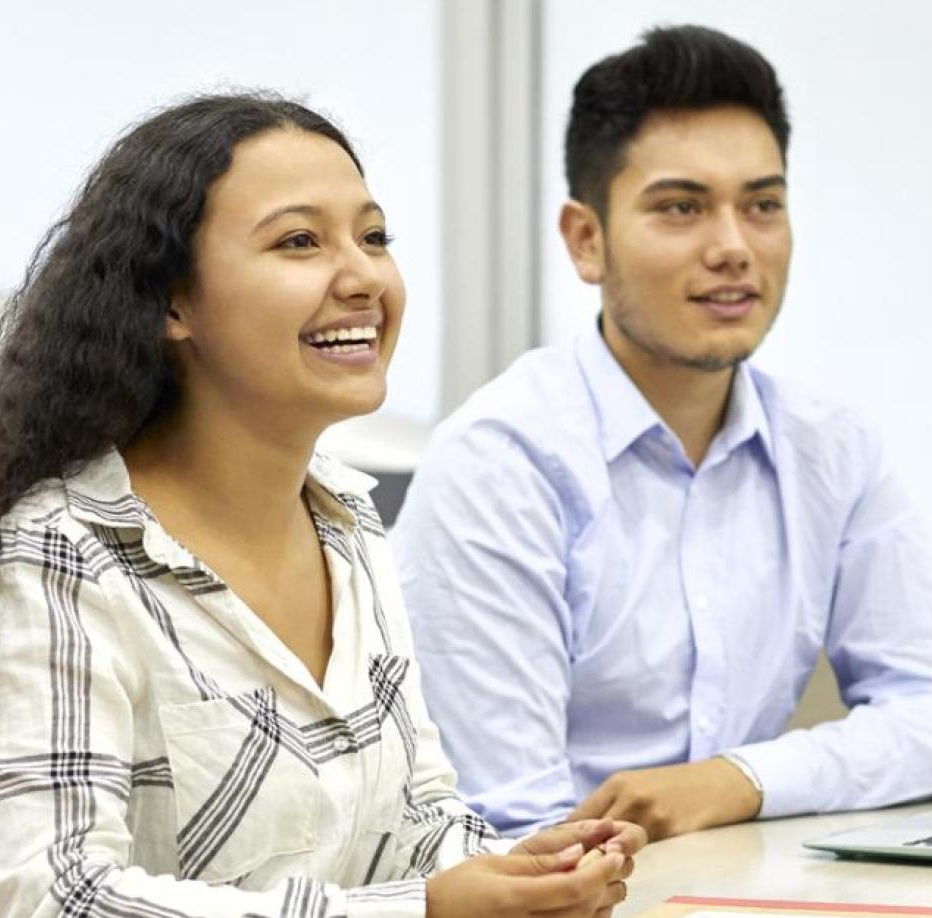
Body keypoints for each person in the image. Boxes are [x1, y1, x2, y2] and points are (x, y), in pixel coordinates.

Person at [0, 91, 644, 918]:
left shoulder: (347, 520)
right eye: (299, 243)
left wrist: (525, 878)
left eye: (374, 237)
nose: (362, 278)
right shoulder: (54, 555)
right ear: (173, 302)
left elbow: (413, 822)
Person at [391, 25, 932, 842]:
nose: (733, 248)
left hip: (731, 902)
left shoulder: (834, 449)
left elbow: (923, 712)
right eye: (681, 208)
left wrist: (737, 779)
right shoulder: (503, 461)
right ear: (586, 240)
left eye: (763, 206)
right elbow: (510, 826)